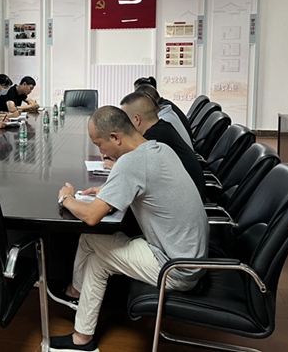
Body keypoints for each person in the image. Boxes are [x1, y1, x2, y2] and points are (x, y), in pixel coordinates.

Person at [49, 106, 208, 352]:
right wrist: (109, 191)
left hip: (175, 267)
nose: (100, 152)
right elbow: (145, 183)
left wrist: (66, 198)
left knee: (94, 246)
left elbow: (91, 216)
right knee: (94, 250)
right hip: (189, 256)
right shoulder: (159, 148)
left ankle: (78, 317)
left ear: (115, 137)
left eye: (100, 144)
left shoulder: (131, 163)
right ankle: (78, 311)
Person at [120, 91, 206, 201]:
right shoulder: (163, 127)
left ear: (137, 119)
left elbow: (133, 170)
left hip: (185, 199)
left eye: (125, 121)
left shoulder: (154, 139)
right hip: (187, 193)